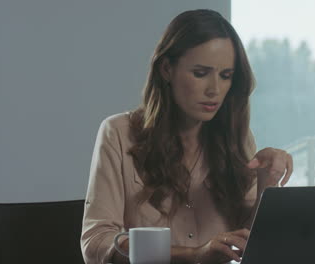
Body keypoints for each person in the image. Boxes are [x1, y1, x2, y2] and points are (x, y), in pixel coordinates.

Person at [80, 9, 293, 264]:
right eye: (201, 73)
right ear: (167, 69)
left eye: (225, 76)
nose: (215, 89)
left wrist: (265, 187)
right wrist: (193, 256)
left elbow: (247, 241)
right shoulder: (118, 133)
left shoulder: (238, 138)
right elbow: (96, 243)